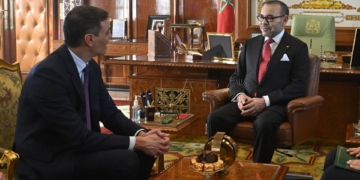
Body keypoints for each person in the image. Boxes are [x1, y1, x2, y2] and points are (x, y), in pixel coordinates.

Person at [13, 5, 171, 180]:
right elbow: (79, 137)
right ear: (89, 39)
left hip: (79, 147)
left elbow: (110, 113)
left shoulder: (91, 67)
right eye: (107, 32)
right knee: (126, 159)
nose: (110, 37)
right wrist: (138, 143)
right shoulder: (48, 76)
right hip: (52, 157)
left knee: (146, 152)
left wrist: (142, 134)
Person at [206, 0, 309, 163]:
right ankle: (217, 163)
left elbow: (298, 86)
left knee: (263, 124)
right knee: (214, 118)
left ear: (284, 19)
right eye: (261, 17)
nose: (263, 22)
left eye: (269, 18)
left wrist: (265, 101)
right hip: (245, 101)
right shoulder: (250, 44)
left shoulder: (297, 47)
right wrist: (239, 95)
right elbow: (237, 77)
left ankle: (259, 170)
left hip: (274, 104)